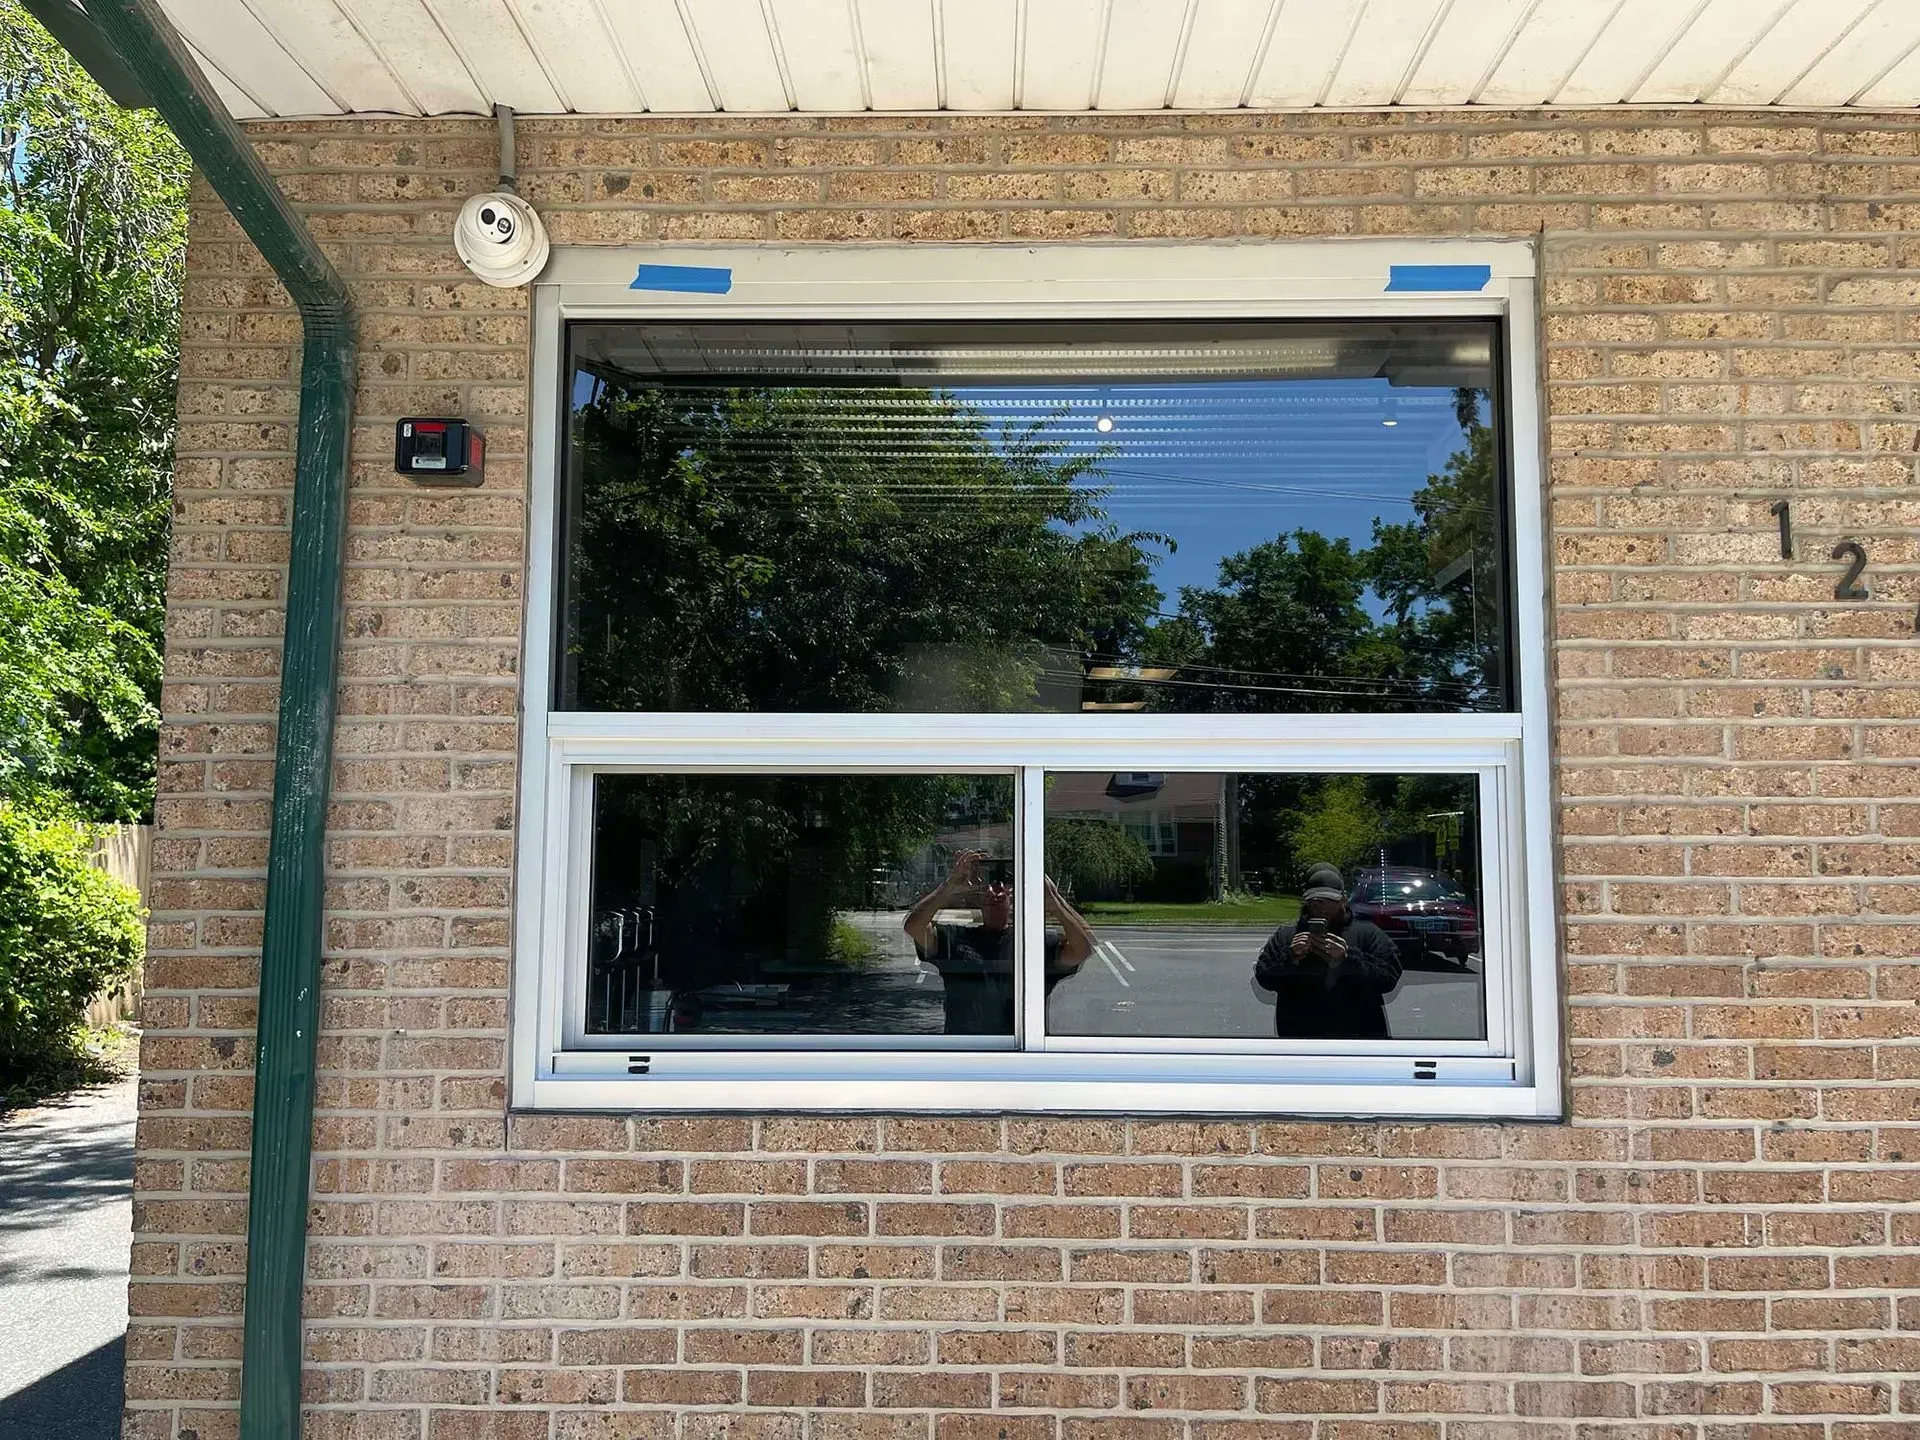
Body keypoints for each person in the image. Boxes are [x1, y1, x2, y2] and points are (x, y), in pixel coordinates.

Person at [903, 849, 1095, 1035]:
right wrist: (950, 886)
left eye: (1005, 883)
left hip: (1021, 1052)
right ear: (977, 896)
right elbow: (914, 927)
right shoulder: (955, 939)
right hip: (966, 1052)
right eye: (988, 883)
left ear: (1013, 897)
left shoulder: (1034, 944)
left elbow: (1083, 947)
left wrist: (1053, 898)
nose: (995, 889)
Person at [1254, 862, 1401, 1039]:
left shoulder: (1367, 933)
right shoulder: (1287, 936)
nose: (1321, 908)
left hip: (1361, 1040)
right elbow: (1264, 977)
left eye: (1328, 901)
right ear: (1306, 902)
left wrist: (1348, 960)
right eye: (1315, 902)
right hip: (1300, 1041)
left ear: (1343, 900)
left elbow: (1389, 978)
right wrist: (1291, 957)